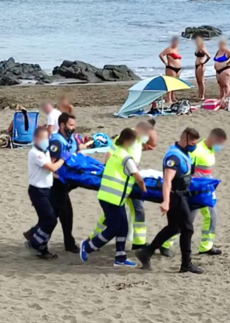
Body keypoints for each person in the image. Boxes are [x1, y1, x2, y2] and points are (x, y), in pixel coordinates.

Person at [135, 128, 204, 274]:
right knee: (187, 229)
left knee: (174, 227)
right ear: (184, 140)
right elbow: (167, 181)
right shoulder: (174, 157)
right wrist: (166, 201)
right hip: (175, 196)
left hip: (181, 194)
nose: (194, 145)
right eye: (192, 142)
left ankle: (146, 252)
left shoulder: (184, 152)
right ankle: (186, 264)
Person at [80, 128, 147, 267]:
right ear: (129, 141)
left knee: (123, 227)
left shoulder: (116, 153)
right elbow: (138, 178)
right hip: (113, 197)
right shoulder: (126, 158)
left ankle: (120, 257)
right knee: (114, 228)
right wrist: (144, 190)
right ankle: (88, 246)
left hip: (109, 196)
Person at [160, 129, 227, 256]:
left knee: (211, 217)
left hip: (205, 190)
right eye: (219, 143)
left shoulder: (210, 150)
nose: (220, 147)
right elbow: (186, 170)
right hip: (194, 191)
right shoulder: (197, 151)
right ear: (212, 139)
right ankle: (165, 244)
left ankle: (206, 246)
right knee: (186, 220)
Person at [89, 121, 154, 250]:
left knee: (135, 210)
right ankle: (93, 238)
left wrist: (144, 148)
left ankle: (138, 242)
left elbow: (151, 145)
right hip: (121, 181)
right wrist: (109, 174)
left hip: (129, 180)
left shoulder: (138, 140)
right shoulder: (127, 136)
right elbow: (109, 154)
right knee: (113, 214)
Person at [24, 112, 84, 252]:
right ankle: (39, 240)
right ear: (62, 125)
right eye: (71, 125)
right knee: (58, 215)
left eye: (74, 125)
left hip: (58, 182)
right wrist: (64, 162)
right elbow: (52, 165)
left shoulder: (69, 139)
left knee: (57, 214)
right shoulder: (56, 142)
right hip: (54, 184)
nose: (73, 127)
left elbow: (73, 154)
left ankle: (35, 235)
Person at [24, 127, 67, 259]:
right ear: (36, 139)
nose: (46, 141)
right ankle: (34, 243)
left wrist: (59, 177)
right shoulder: (35, 153)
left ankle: (41, 245)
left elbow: (48, 170)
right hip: (38, 191)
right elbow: (51, 167)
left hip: (47, 189)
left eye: (47, 138)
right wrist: (63, 159)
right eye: (43, 138)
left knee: (48, 220)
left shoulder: (44, 151)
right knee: (49, 219)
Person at [159, 36, 181, 104]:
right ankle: (169, 99)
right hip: (171, 68)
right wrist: (165, 63)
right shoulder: (169, 49)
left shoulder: (176, 49)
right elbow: (161, 55)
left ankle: (173, 97)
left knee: (175, 84)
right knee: (170, 84)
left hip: (178, 68)